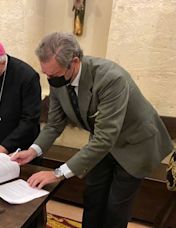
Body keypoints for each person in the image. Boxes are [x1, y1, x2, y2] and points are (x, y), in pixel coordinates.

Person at [11, 32, 174, 228]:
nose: (50, 80)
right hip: (102, 142)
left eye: (54, 74)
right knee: (93, 196)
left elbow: (105, 138)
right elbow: (54, 124)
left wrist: (58, 173)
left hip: (135, 143)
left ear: (75, 61)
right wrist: (33, 150)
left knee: (115, 207)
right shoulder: (58, 78)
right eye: (47, 74)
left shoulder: (110, 78)